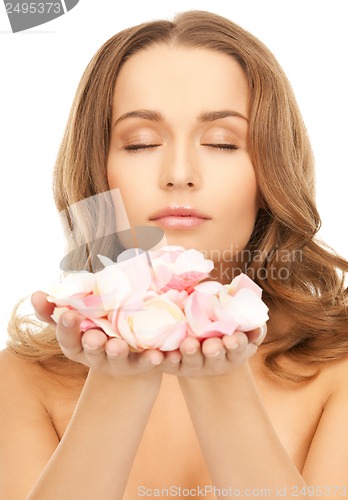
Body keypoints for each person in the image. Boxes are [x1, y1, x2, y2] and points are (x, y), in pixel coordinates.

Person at [1, 9, 348, 499]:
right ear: (97, 170)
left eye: (222, 143)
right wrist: (117, 380)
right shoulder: (23, 379)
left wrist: (221, 382)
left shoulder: (338, 367)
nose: (180, 172)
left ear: (270, 171)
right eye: (141, 143)